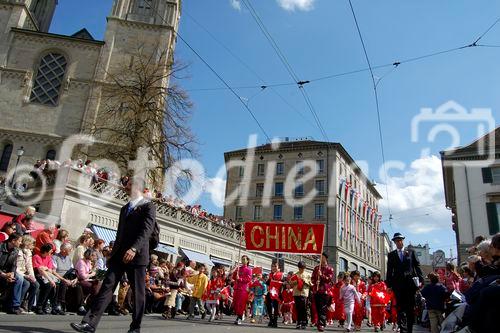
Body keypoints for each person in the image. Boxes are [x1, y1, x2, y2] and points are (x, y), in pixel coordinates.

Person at [71, 177, 157, 333]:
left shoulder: (148, 206)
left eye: (130, 185)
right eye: (126, 184)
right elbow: (120, 234)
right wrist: (113, 254)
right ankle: (89, 323)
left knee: (138, 293)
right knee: (106, 287)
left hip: (136, 257)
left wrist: (134, 249)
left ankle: (135, 327)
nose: (126, 187)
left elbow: (147, 230)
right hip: (118, 257)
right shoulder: (125, 208)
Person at [386, 233, 424, 333]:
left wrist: (421, 280)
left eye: (400, 240)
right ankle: (403, 329)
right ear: (394, 242)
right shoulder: (391, 255)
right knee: (400, 309)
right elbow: (389, 271)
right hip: (398, 286)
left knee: (410, 309)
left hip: (410, 285)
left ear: (403, 241)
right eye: (397, 241)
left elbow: (417, 266)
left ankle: (410, 330)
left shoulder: (411, 252)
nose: (399, 242)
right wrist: (389, 285)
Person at [52, 242, 82, 315]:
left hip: (69, 277)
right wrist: (63, 279)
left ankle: (80, 306)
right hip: (59, 277)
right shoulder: (55, 257)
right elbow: (53, 271)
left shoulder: (69, 259)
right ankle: (59, 305)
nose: (71, 251)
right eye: (70, 249)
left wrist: (75, 279)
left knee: (78, 286)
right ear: (64, 250)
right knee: (63, 283)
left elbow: (72, 271)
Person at [0, 233, 23, 314]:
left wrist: (12, 274)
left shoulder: (16, 250)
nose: (21, 243)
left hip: (7, 272)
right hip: (1, 272)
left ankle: (14, 306)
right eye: (19, 241)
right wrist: (4, 275)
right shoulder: (0, 247)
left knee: (20, 279)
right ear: (13, 241)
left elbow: (14, 264)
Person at [311, 252, 334, 332]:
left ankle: (321, 324)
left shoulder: (330, 269)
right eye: (320, 257)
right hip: (317, 290)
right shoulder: (316, 268)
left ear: (325, 258)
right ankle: (318, 322)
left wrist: (321, 276)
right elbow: (312, 278)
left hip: (325, 291)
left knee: (322, 308)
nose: (320, 258)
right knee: (317, 308)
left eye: (322, 257)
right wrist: (315, 282)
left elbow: (329, 279)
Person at [16, 234, 39, 313]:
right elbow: (15, 267)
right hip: (19, 273)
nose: (33, 245)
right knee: (26, 283)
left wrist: (32, 276)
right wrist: (25, 275)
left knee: (36, 284)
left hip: (25, 273)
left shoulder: (29, 252)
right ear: (27, 243)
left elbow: (29, 266)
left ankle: (28, 305)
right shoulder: (18, 250)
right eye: (32, 243)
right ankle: (18, 304)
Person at [290, 261, 311, 329]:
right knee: (298, 308)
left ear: (304, 268)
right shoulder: (295, 274)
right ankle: (298, 322)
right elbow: (290, 283)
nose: (301, 269)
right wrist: (296, 281)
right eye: (300, 268)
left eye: (302, 268)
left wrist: (305, 281)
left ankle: (304, 322)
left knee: (304, 308)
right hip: (296, 293)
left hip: (304, 293)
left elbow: (311, 284)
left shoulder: (308, 275)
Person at [232, 255, 252, 325]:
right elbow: (234, 277)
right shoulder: (239, 268)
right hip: (237, 288)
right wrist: (235, 270)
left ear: (247, 261)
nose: (242, 261)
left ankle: (239, 317)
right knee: (235, 303)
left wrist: (240, 279)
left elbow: (248, 279)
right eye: (242, 259)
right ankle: (239, 315)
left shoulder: (249, 269)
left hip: (243, 289)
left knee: (241, 304)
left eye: (244, 259)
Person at [266, 260, 284, 328]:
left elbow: (283, 283)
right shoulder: (270, 274)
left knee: (276, 306)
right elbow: (267, 283)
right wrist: (267, 280)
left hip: (277, 293)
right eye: (272, 266)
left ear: (278, 267)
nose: (273, 267)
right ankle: (271, 319)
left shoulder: (281, 274)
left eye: (275, 266)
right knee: (268, 304)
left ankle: (275, 321)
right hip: (270, 292)